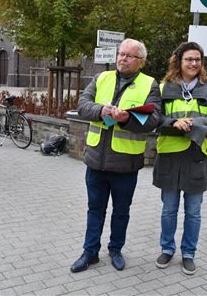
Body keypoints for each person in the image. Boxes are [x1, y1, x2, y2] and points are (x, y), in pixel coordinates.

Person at [71, 39, 161, 273]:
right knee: (94, 209)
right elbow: (82, 104)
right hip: (96, 160)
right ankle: (89, 252)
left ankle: (115, 249)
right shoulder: (102, 78)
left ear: (140, 62)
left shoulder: (150, 84)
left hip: (125, 164)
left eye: (129, 56)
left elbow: (152, 121)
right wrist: (101, 110)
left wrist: (127, 119)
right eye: (121, 54)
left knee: (121, 211)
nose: (123, 58)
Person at [153, 41, 207, 275]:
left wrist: (194, 123)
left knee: (193, 211)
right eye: (188, 59)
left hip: (197, 156)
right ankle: (167, 248)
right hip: (170, 155)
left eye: (197, 59)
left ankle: (189, 253)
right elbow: (155, 119)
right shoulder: (163, 88)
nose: (193, 63)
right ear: (179, 61)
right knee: (168, 210)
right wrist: (173, 123)